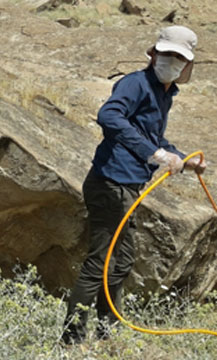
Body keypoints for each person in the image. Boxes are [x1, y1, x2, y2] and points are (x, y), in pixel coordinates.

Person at [61, 25, 207, 345]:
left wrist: (182, 160)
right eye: (166, 54)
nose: (171, 62)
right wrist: (153, 154)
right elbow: (110, 116)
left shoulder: (164, 94)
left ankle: (106, 332)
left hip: (127, 186)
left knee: (122, 260)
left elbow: (155, 138)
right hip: (110, 183)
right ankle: (71, 340)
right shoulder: (136, 83)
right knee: (100, 261)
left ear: (187, 66)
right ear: (153, 54)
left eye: (178, 58)